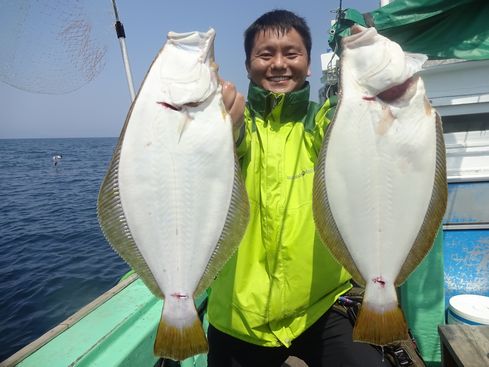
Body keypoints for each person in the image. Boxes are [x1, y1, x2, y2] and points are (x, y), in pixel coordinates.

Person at [207, 9, 393, 367]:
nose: (279, 64)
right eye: (265, 54)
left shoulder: (321, 120)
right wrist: (219, 128)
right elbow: (229, 145)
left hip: (320, 307)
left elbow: (351, 127)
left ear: (309, 65)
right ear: (247, 66)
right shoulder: (237, 121)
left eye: (291, 54)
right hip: (238, 317)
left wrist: (367, 64)